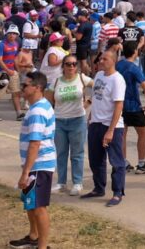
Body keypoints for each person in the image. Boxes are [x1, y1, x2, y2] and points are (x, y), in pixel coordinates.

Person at [9, 71, 57, 249]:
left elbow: (35, 144)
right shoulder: (38, 106)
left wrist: (25, 173)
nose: (22, 88)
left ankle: (42, 246)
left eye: (25, 85)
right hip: (36, 165)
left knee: (39, 207)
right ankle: (33, 236)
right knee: (31, 203)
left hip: (39, 165)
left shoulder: (37, 111)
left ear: (37, 88)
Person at [82, 49, 127, 206]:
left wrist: (111, 130)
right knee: (95, 160)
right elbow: (96, 97)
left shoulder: (117, 80)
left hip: (110, 125)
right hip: (96, 123)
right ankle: (98, 188)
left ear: (113, 61)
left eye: (105, 59)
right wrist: (90, 116)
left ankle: (117, 192)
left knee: (116, 161)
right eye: (101, 59)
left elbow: (118, 106)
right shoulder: (99, 76)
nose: (100, 61)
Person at [52, 51, 92, 196]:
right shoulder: (56, 80)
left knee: (77, 153)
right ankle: (61, 182)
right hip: (59, 121)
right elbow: (49, 99)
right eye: (68, 64)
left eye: (74, 64)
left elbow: (99, 86)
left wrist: (88, 102)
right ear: (63, 66)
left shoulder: (82, 78)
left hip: (77, 120)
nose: (71, 67)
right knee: (61, 153)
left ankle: (77, 182)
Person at [116, 42, 145, 174]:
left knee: (122, 135)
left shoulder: (117, 65)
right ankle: (141, 162)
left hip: (120, 105)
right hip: (133, 106)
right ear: (134, 52)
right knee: (142, 133)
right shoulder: (134, 68)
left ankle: (124, 162)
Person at [0, 26, 24, 121]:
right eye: (10, 33)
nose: (12, 35)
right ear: (7, 34)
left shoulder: (16, 44)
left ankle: (19, 113)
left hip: (12, 71)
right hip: (1, 72)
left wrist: (17, 70)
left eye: (14, 33)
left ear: (17, 35)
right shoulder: (1, 44)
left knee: (16, 92)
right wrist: (8, 70)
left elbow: (14, 58)